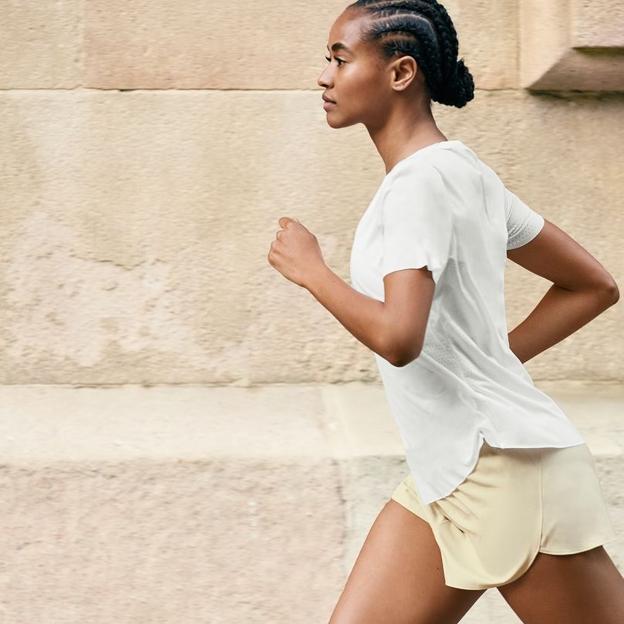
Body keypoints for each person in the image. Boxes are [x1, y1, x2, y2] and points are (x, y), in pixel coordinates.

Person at [267, 1, 624, 622]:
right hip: (447, 475)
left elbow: (400, 337)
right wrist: (489, 362)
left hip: (504, 473)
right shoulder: (465, 173)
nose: (324, 76)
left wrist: (312, 273)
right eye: (328, 60)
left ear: (401, 73)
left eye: (341, 59)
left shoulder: (417, 186)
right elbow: (591, 285)